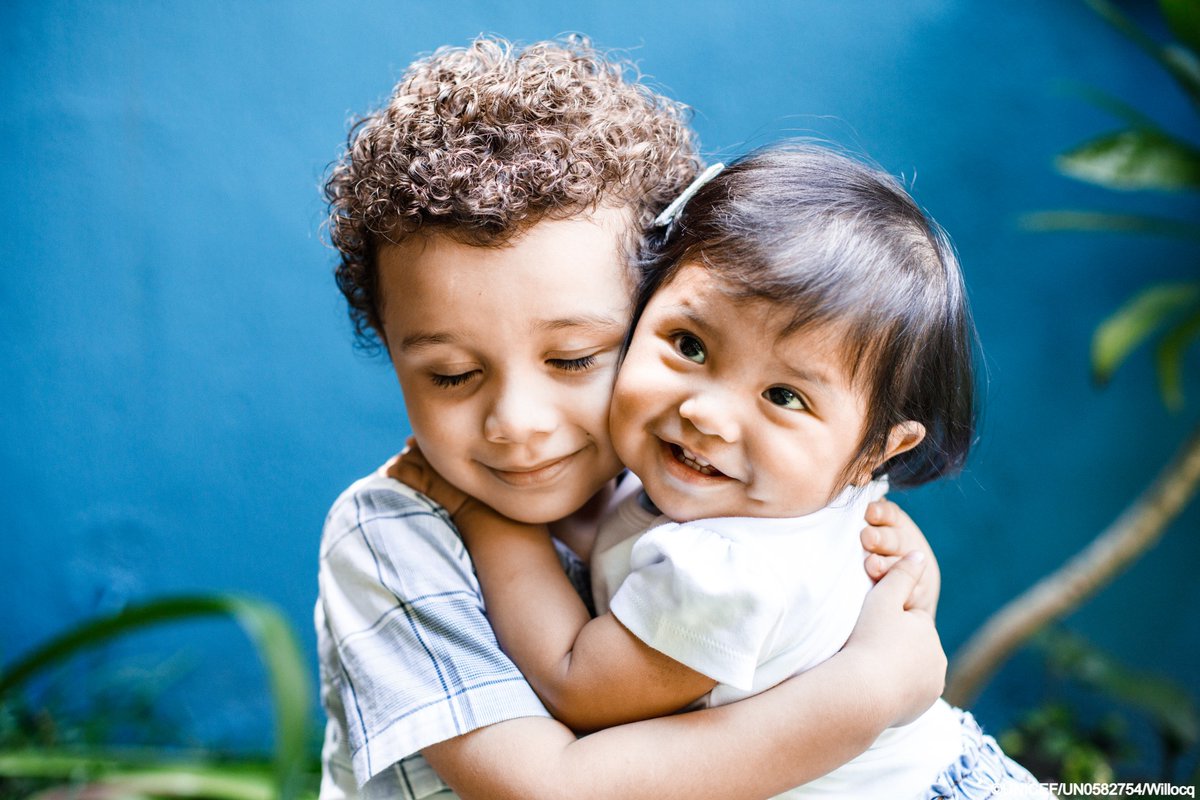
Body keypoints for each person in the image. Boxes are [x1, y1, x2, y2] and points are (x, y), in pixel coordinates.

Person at [317, 36, 948, 800]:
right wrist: (870, 686)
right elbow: (544, 785)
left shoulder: (691, 473)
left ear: (649, 305)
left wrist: (891, 561)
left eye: (576, 358)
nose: (518, 423)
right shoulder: (392, 532)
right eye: (453, 374)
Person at [399, 144, 1052, 799]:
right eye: (689, 345)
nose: (709, 416)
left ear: (874, 453)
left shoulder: (731, 574)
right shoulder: (762, 501)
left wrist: (483, 515)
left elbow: (575, 681)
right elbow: (617, 530)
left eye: (784, 397)